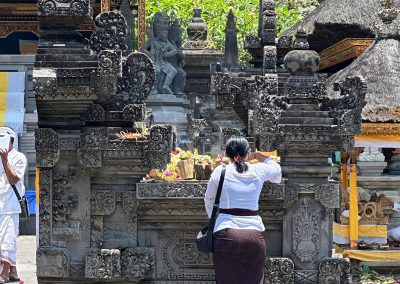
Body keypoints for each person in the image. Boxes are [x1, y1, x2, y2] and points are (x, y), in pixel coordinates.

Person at [204, 137, 281, 284]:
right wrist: (259, 156)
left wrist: (216, 222)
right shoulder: (258, 169)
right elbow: (277, 172)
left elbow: (209, 200)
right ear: (248, 153)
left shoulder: (220, 171)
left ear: (227, 154)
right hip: (253, 235)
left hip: (225, 233)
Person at [0, 127, 27, 283]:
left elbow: (14, 179)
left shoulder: (19, 157)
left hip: (10, 206)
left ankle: (5, 272)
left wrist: (4, 159)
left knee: (8, 241)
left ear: (10, 140)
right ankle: (13, 272)